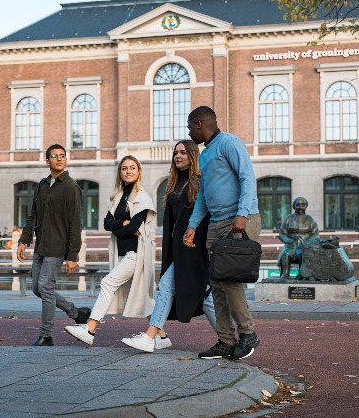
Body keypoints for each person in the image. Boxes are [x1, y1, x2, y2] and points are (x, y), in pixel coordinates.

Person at [121, 140, 216, 353]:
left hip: (195, 246)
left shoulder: (201, 181)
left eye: (183, 153)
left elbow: (208, 215)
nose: (178, 156)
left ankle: (150, 337)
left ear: (193, 155)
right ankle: (230, 339)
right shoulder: (175, 183)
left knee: (166, 285)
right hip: (179, 247)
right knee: (204, 294)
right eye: (176, 153)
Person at [183, 106, 261, 361]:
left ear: (198, 124)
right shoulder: (205, 156)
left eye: (189, 127)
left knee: (230, 280)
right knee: (216, 282)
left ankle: (248, 335)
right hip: (216, 223)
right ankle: (226, 340)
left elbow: (248, 177)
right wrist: (193, 225)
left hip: (238, 220)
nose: (188, 132)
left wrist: (242, 213)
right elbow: (204, 195)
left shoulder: (230, 143)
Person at [65, 156, 157, 346]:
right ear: (120, 172)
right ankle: (162, 336)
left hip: (136, 254)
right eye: (124, 168)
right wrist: (121, 224)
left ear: (139, 171)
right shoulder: (117, 197)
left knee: (107, 282)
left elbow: (131, 229)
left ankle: (90, 328)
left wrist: (121, 226)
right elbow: (107, 224)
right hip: (123, 253)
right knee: (142, 297)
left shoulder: (142, 198)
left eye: (132, 168)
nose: (128, 171)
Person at [17, 144, 90, 346]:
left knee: (46, 287)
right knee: (37, 288)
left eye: (62, 156)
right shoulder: (42, 184)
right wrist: (23, 241)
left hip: (58, 247)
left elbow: (75, 224)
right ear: (47, 160)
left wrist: (72, 256)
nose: (59, 159)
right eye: (54, 156)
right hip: (41, 245)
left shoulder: (71, 187)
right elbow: (33, 215)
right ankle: (77, 313)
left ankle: (46, 335)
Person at [277, 197, 319, 280]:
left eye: (303, 205)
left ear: (306, 206)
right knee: (286, 255)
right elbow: (282, 233)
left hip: (305, 245)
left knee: (302, 255)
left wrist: (307, 241)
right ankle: (285, 274)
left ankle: (302, 274)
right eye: (298, 205)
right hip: (291, 244)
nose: (300, 207)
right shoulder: (288, 218)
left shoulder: (311, 220)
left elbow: (316, 235)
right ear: (294, 206)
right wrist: (288, 240)